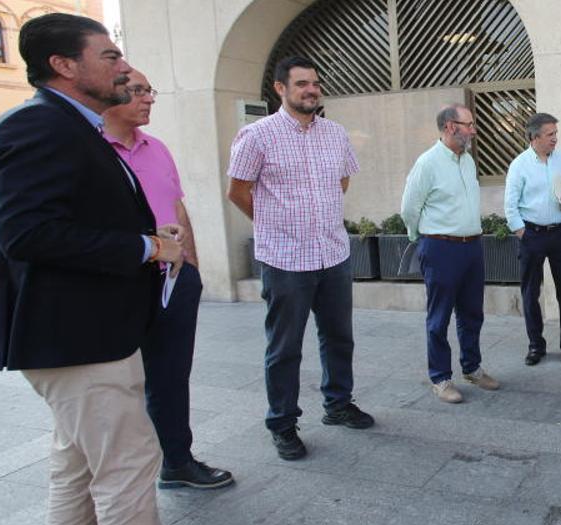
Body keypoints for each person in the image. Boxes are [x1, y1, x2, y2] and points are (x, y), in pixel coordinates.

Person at [0, 13, 180, 525]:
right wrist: (146, 246)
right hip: (76, 337)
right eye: (110, 56)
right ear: (64, 65)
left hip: (83, 335)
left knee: (77, 470)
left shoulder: (69, 127)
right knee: (128, 468)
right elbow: (29, 234)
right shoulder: (37, 125)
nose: (124, 66)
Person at [227, 55, 374, 461]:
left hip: (333, 254)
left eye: (315, 83)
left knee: (339, 337)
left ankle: (338, 405)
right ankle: (283, 423)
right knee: (285, 347)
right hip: (285, 260)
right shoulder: (256, 136)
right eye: (301, 84)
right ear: (280, 89)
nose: (311, 90)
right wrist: (275, 224)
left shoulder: (336, 134)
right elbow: (237, 192)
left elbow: (340, 181)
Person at [103, 69, 234, 488]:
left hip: (173, 282)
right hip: (120, 285)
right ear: (112, 93)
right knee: (116, 385)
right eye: (138, 91)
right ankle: (123, 472)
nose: (149, 99)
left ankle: (177, 461)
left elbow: (177, 210)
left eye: (150, 90)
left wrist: (191, 266)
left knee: (171, 376)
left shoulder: (156, 148)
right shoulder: (91, 151)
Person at [402, 104, 502, 403]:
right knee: (440, 316)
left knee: (472, 313)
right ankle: (441, 378)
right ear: (449, 127)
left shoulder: (468, 160)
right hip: (441, 247)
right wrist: (420, 238)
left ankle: (472, 367)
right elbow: (409, 208)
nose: (473, 129)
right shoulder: (427, 163)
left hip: (471, 246)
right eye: (468, 124)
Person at [504, 112, 561, 367]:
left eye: (556, 134)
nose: (555, 139)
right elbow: (510, 205)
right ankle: (536, 345)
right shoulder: (519, 165)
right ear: (534, 137)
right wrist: (522, 233)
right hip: (532, 235)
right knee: (530, 293)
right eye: (550, 135)